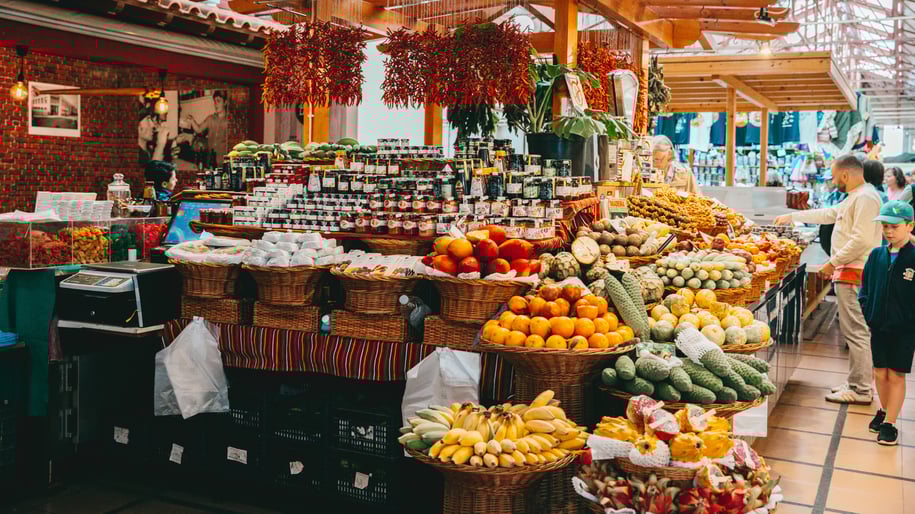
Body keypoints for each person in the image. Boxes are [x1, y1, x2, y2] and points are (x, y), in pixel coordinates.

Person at [774, 154, 883, 404]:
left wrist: (832, 262)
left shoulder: (865, 197)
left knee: (856, 332)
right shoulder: (857, 197)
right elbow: (829, 214)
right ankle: (855, 381)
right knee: (853, 330)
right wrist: (793, 217)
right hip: (849, 270)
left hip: (855, 271)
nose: (834, 182)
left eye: (835, 177)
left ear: (845, 175)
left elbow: (862, 240)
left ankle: (862, 389)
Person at [858, 200, 915, 445]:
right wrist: (867, 309)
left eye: (895, 226)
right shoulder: (876, 254)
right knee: (880, 373)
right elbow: (865, 287)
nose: (889, 231)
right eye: (885, 226)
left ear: (910, 225)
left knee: (896, 375)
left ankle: (890, 424)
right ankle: (884, 410)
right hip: (878, 325)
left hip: (905, 330)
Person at [184, 90, 229, 161]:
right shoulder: (210, 118)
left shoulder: (229, 120)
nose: (215, 104)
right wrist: (192, 120)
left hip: (223, 158)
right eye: (214, 101)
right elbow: (199, 130)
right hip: (210, 158)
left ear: (225, 102)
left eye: (218, 101)